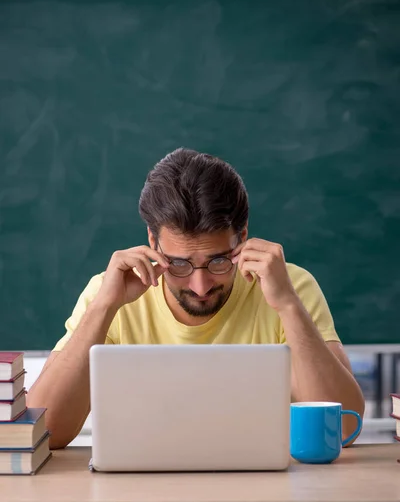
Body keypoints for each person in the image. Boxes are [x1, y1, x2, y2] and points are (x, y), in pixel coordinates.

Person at [27, 148, 365, 448]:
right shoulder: (109, 292)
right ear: (152, 241)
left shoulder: (288, 286)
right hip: (137, 496)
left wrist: (288, 307)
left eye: (218, 261)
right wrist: (104, 308)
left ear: (242, 237)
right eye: (179, 264)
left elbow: (345, 427)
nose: (200, 286)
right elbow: (44, 433)